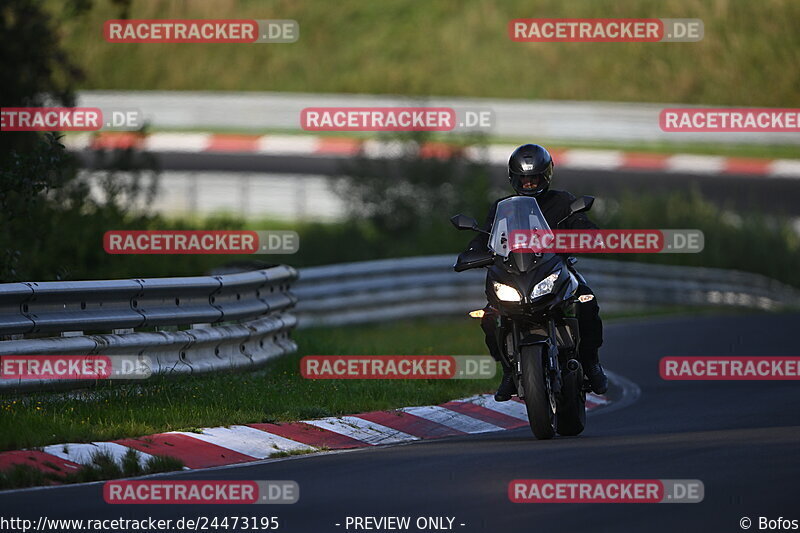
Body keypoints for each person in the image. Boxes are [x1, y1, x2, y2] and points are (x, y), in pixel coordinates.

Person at [458, 143, 608, 401]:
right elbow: (487, 237)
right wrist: (472, 253)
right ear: (513, 178)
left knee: (587, 301)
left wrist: (587, 235)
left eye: (534, 178)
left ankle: (591, 362)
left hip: (555, 268)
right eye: (523, 179)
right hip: (514, 273)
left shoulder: (562, 201)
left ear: (545, 175)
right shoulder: (502, 207)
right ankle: (507, 370)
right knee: (489, 316)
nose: (528, 184)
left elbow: (579, 222)